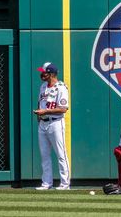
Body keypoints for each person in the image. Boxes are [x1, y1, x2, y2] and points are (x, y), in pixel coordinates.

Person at [33, 62, 70, 190]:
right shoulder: (43, 86)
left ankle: (65, 184)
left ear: (51, 74)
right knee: (44, 155)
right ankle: (46, 183)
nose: (42, 74)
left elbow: (63, 108)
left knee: (61, 154)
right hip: (43, 123)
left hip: (56, 122)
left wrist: (45, 112)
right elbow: (40, 103)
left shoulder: (61, 87)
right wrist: (40, 115)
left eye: (44, 72)